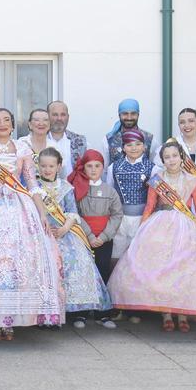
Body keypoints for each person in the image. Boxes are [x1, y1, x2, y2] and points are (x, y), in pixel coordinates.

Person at [108, 141, 196, 332]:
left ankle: (182, 314)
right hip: (160, 225)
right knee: (162, 268)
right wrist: (142, 230)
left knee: (182, 269)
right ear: (163, 161)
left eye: (175, 156)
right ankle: (166, 313)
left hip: (186, 227)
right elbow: (150, 207)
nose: (171, 160)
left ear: (181, 158)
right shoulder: (157, 180)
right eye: (167, 157)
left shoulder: (192, 180)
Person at [0, 110, 63, 340]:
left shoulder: (22, 149)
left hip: (19, 210)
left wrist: (41, 213)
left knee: (14, 266)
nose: (2, 124)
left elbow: (32, 183)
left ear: (13, 125)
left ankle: (9, 320)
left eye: (7, 120)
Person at [34, 147, 113, 328]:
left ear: (59, 166)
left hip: (65, 233)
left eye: (51, 166)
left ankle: (76, 312)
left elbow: (73, 213)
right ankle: (45, 313)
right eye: (43, 166)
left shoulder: (66, 187)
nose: (47, 169)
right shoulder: (34, 188)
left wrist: (63, 229)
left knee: (77, 262)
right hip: (41, 234)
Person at [69, 149, 123, 328]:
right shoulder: (77, 190)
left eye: (97, 166)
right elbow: (75, 213)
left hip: (104, 239)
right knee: (84, 273)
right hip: (84, 238)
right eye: (89, 166)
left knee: (103, 271)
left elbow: (117, 214)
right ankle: (81, 313)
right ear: (83, 168)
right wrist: (90, 235)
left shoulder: (110, 191)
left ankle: (103, 313)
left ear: (103, 167)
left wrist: (105, 236)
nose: (93, 170)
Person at [106, 129, 156, 263]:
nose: (134, 148)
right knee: (117, 251)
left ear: (144, 146)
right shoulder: (114, 167)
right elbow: (110, 191)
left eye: (138, 144)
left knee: (139, 252)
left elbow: (155, 195)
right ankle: (114, 283)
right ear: (123, 147)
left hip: (142, 217)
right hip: (120, 217)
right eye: (129, 145)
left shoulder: (153, 168)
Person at [103, 98, 154, 165]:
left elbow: (156, 168)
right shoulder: (108, 139)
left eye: (133, 113)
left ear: (138, 115)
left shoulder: (150, 139)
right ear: (119, 115)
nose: (129, 117)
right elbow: (104, 170)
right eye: (125, 114)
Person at [47, 101, 87, 180]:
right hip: (44, 190)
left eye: (63, 115)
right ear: (47, 116)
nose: (59, 118)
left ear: (68, 117)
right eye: (55, 115)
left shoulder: (80, 141)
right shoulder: (40, 140)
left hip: (74, 190)